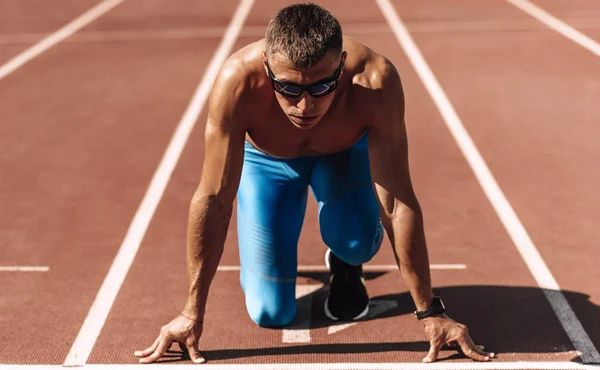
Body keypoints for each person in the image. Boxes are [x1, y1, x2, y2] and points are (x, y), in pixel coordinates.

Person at [134, 3, 496, 364]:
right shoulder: (237, 83)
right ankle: (264, 257)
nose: (305, 105)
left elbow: (397, 204)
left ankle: (345, 262)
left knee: (354, 242)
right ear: (266, 67)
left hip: (343, 154)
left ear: (341, 64)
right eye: (288, 88)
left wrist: (429, 311)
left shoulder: (375, 80)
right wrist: (191, 312)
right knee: (269, 313)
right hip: (266, 162)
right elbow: (213, 198)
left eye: (322, 86)